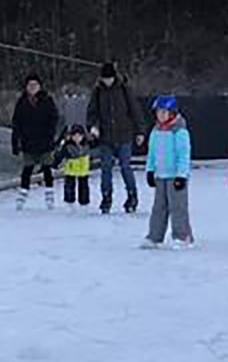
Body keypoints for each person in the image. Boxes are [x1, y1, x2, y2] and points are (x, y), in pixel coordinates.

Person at [82, 60, 148, 215]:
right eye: (105, 79)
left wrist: (140, 131)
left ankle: (132, 197)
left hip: (124, 136)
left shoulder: (124, 89)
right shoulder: (98, 91)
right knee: (106, 169)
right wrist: (92, 127)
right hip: (106, 138)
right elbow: (92, 113)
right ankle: (106, 197)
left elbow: (135, 111)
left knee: (126, 167)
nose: (107, 81)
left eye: (109, 78)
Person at [142, 95, 194, 248]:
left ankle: (182, 236)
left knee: (177, 207)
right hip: (160, 175)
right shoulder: (155, 131)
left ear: (172, 112)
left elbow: (183, 154)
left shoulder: (179, 131)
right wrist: (150, 171)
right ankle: (154, 237)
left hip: (175, 176)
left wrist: (181, 175)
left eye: (164, 112)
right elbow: (151, 152)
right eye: (159, 112)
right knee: (159, 208)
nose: (161, 115)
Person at [10, 73, 61, 206]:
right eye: (30, 85)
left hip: (44, 140)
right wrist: (15, 142)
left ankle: (49, 194)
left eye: (35, 85)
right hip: (28, 141)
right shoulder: (21, 102)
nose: (32, 88)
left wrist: (51, 135)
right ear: (26, 87)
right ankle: (23, 193)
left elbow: (54, 118)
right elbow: (16, 123)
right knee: (27, 169)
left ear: (39, 86)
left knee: (47, 168)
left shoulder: (47, 100)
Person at [56, 124, 94, 208]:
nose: (77, 138)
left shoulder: (87, 144)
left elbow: (96, 144)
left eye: (79, 136)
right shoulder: (68, 146)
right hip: (71, 169)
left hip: (83, 170)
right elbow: (60, 155)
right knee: (69, 186)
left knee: (84, 187)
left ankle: (84, 202)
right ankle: (69, 202)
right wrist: (55, 163)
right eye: (74, 136)